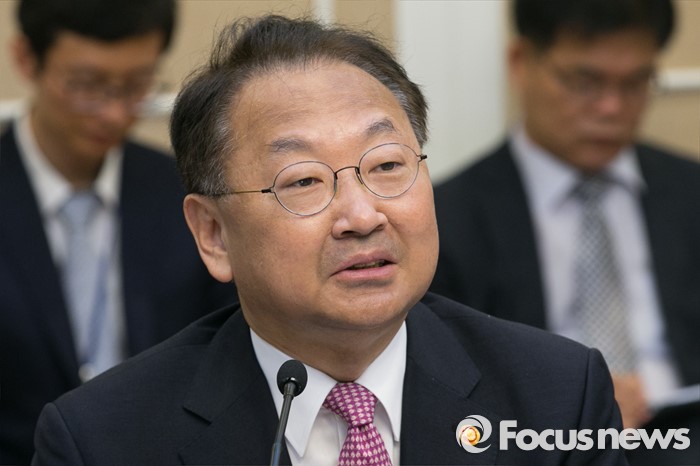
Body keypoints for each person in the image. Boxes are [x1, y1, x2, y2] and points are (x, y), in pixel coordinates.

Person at [31, 15, 626, 465]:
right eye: (304, 181)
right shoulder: (101, 441)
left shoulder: (557, 395)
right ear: (213, 234)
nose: (362, 216)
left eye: (387, 166)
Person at [431, 0, 699, 464]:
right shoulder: (448, 219)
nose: (612, 107)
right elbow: (443, 388)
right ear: (521, 63)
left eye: (635, 83)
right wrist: (584, 401)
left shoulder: (690, 191)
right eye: (584, 82)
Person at [0, 0, 236, 463]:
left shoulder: (188, 198)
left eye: (135, 85)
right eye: (87, 85)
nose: (112, 113)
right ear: (27, 58)